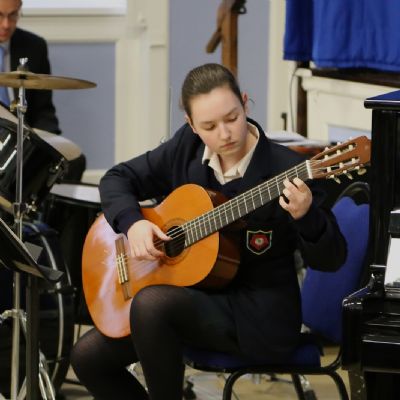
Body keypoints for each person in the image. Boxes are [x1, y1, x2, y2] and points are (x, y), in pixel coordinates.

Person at [71, 63, 347, 399]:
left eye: (232, 118)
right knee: (88, 357)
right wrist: (134, 224)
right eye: (209, 126)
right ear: (191, 125)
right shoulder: (186, 147)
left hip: (257, 317)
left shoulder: (288, 170)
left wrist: (306, 216)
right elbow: (116, 179)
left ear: (245, 103)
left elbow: (332, 259)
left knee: (151, 305)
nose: (225, 134)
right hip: (189, 299)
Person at [0, 0, 85, 180]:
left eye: (13, 15)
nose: (6, 24)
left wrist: (49, 142)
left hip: (22, 139)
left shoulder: (34, 46)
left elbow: (43, 109)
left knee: (74, 162)